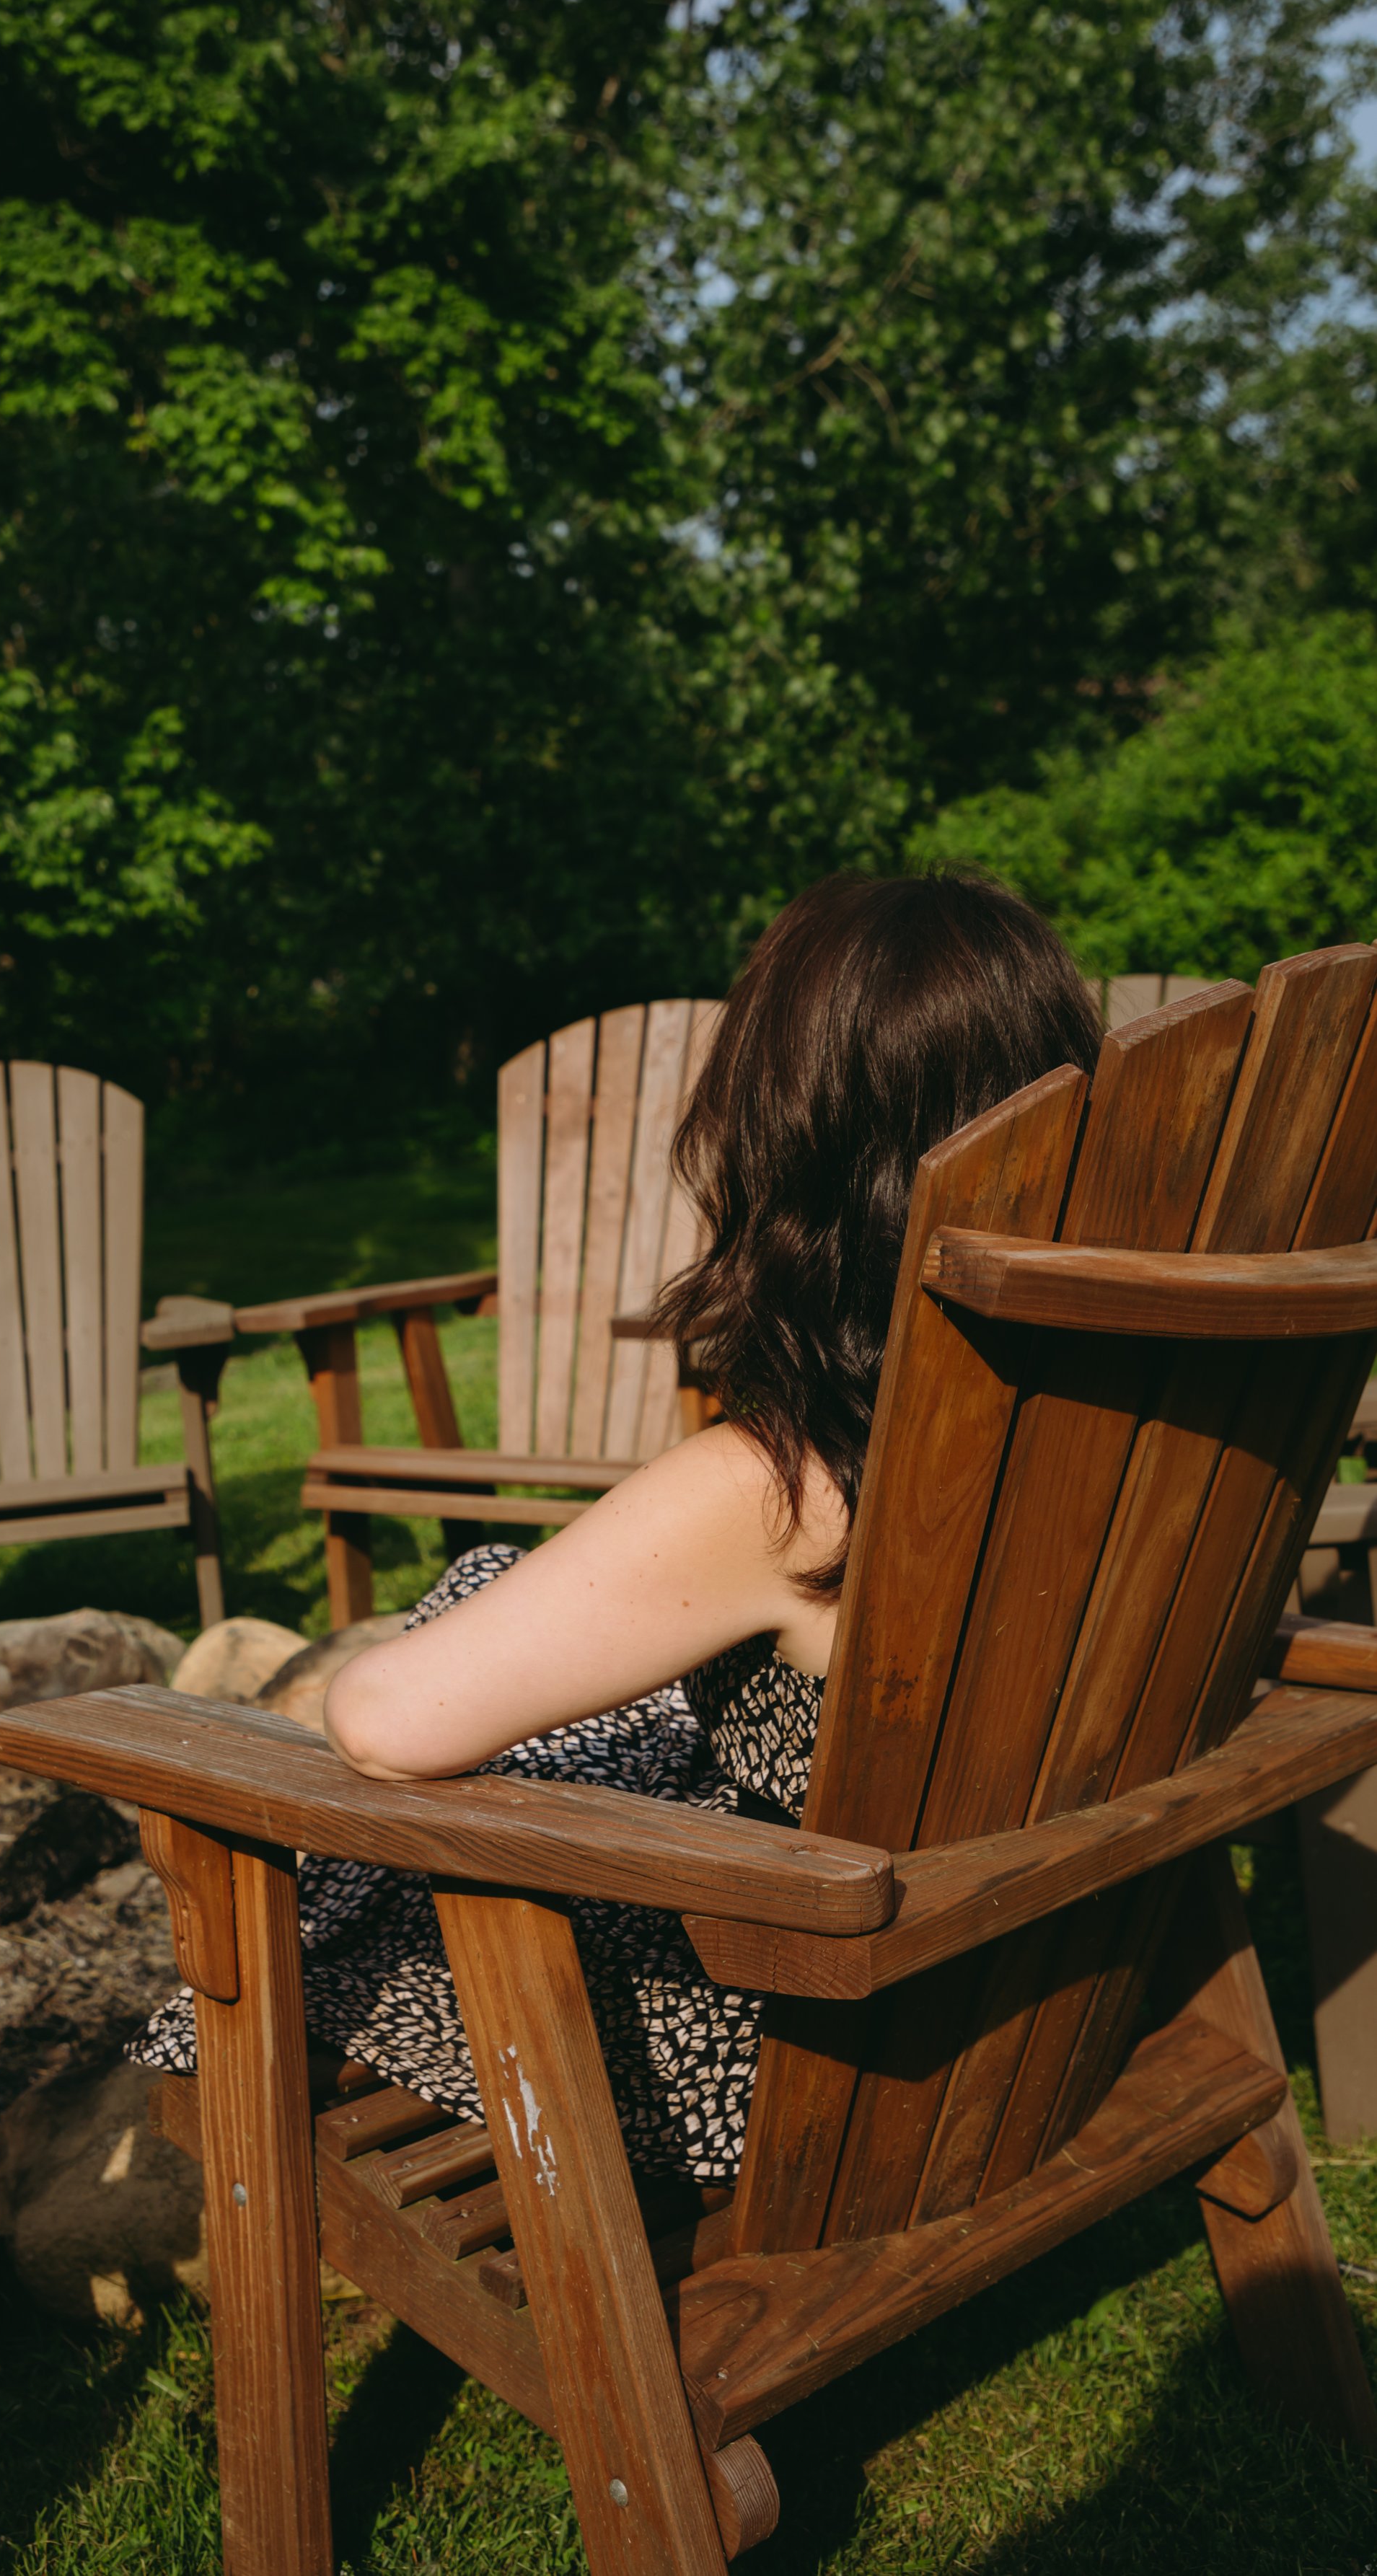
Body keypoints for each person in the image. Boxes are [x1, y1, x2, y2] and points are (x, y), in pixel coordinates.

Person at [126, 871, 1101, 2178]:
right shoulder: (1121, 1428)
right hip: (1041, 1983)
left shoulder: (782, 1486)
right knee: (506, 1597)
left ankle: (218, 2023)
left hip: (794, 2044)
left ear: (786, 1144)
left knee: (346, 1853)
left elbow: (386, 1722)